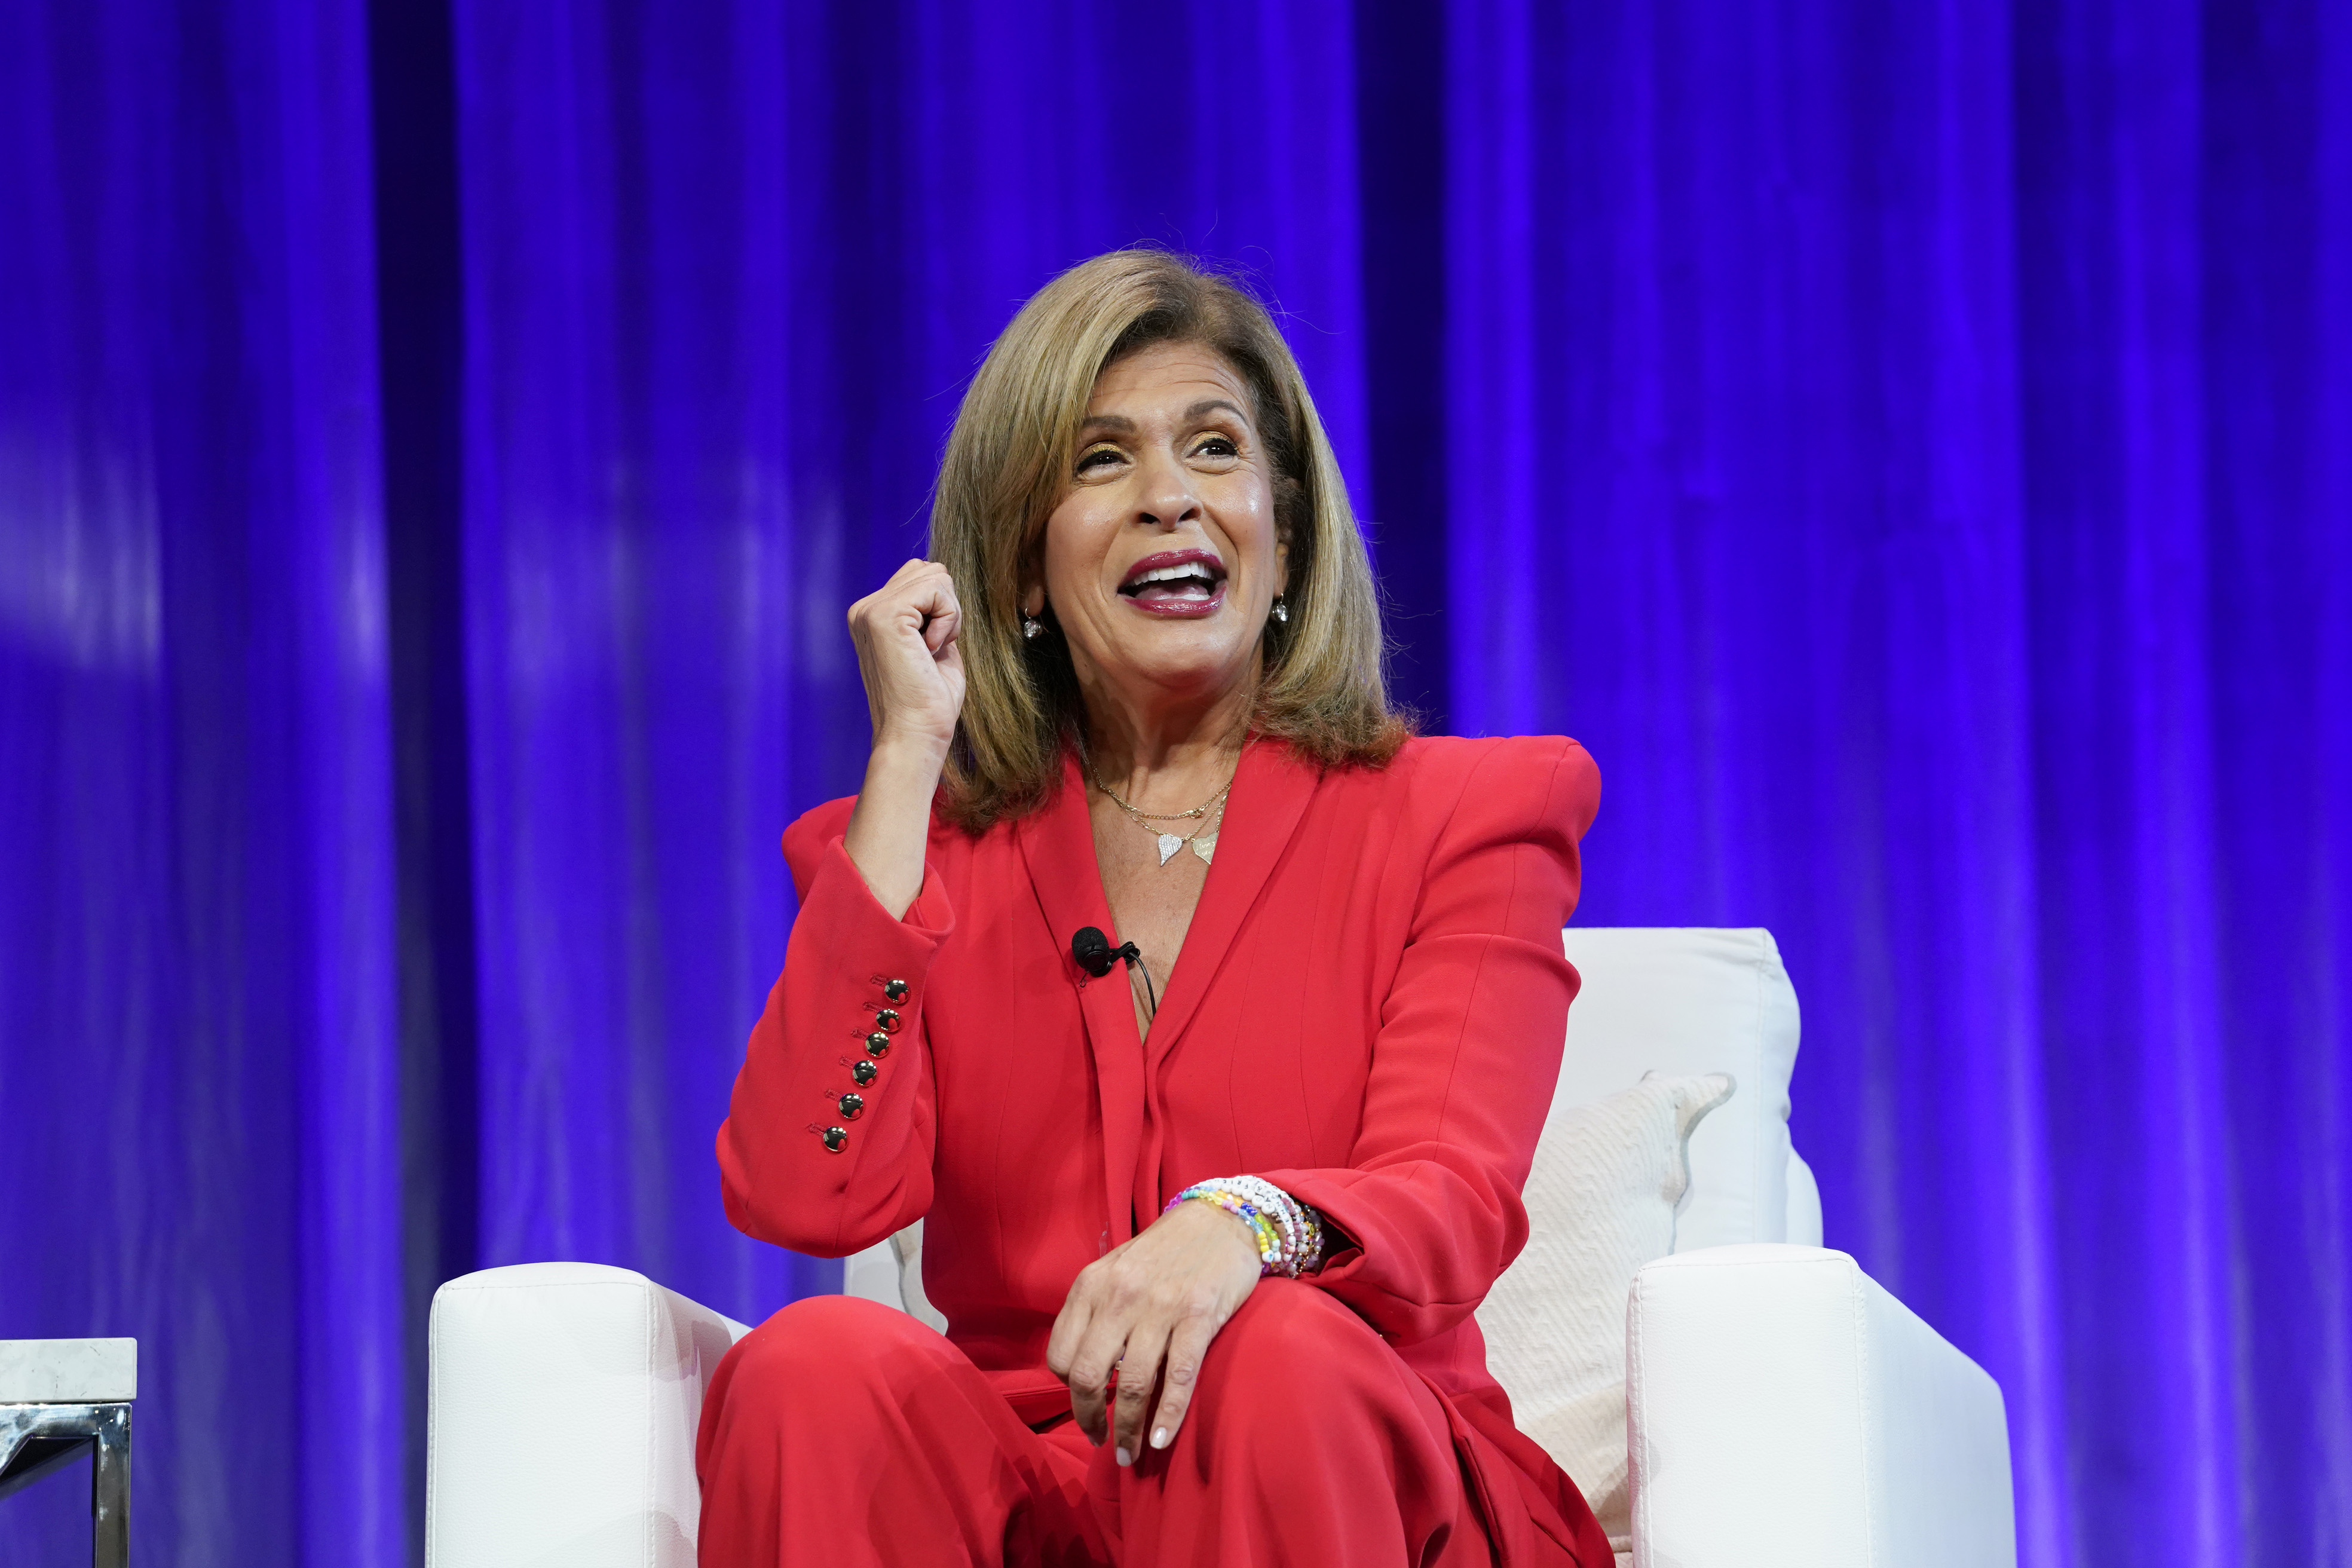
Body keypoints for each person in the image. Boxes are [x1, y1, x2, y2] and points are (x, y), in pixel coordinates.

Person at [698, 249, 1610, 1568]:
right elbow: (802, 1189)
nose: (1171, 497)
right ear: (1018, 573)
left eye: (1214, 447)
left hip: (1351, 1472)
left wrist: (1240, 1225)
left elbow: (1449, 1192)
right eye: (1102, 461)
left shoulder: (1462, 816)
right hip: (1037, 1501)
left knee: (1279, 1347)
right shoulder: (926, 857)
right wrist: (908, 758)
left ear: (1283, 538)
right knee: (812, 1361)